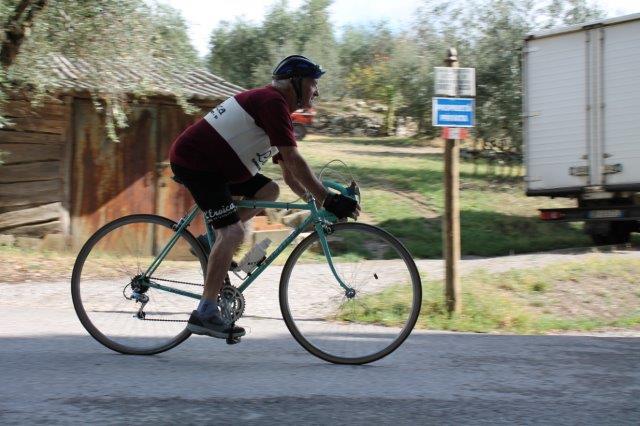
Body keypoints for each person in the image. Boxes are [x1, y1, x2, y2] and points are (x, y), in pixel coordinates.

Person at [169, 55, 360, 339]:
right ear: (295, 82)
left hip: (218, 165)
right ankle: (205, 312)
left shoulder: (278, 111)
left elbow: (290, 175)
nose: (316, 91)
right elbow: (294, 159)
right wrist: (328, 199)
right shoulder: (271, 102)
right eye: (313, 83)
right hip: (198, 163)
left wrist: (316, 201)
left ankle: (209, 243)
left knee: (269, 191)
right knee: (233, 232)